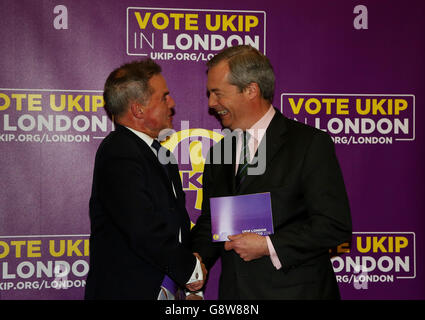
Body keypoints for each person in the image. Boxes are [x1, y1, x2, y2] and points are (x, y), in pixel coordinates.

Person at [191, 45, 352, 299]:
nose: (212, 103)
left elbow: (333, 226)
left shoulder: (308, 144)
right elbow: (212, 220)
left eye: (217, 93)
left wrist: (268, 245)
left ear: (251, 90)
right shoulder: (219, 152)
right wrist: (196, 261)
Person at [85, 59, 206, 300]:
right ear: (138, 109)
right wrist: (190, 271)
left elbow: (175, 226)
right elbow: (142, 227)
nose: (172, 103)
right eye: (164, 97)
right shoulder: (118, 151)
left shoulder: (162, 155)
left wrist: (191, 282)